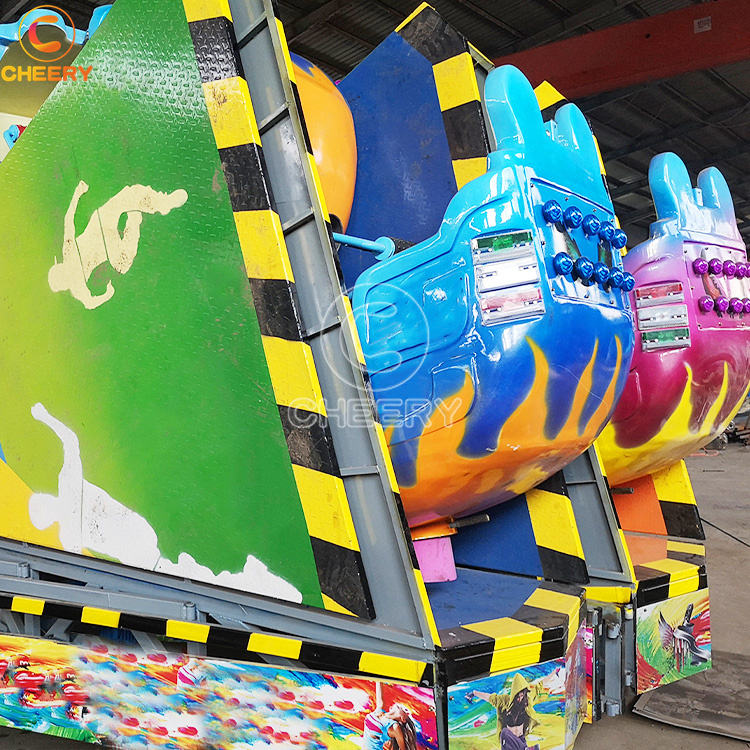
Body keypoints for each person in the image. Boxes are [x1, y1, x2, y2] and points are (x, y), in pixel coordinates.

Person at [48, 180, 187, 309]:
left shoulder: (68, 254)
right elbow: (90, 303)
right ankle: (135, 215)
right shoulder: (77, 287)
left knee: (127, 196)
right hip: (107, 244)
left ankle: (160, 203)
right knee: (122, 263)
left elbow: (68, 221)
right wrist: (107, 294)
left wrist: (78, 193)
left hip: (100, 225)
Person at [470, 673, 540, 750]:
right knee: (504, 732)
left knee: (505, 733)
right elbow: (490, 698)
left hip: (520, 741)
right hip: (509, 742)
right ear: (514, 694)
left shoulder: (527, 702)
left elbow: (539, 687)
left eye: (522, 696)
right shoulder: (505, 700)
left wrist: (551, 675)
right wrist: (474, 693)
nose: (520, 699)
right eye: (518, 696)